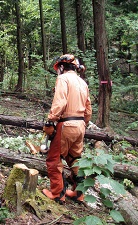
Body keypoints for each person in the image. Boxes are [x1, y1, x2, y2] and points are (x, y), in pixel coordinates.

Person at [42, 54, 92, 204]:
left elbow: (60, 102)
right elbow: (88, 109)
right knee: (74, 159)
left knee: (54, 159)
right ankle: (79, 193)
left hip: (66, 125)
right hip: (80, 125)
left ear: (62, 67)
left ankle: (57, 194)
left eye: (58, 68)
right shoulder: (82, 83)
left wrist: (51, 121)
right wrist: (84, 123)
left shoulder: (63, 79)